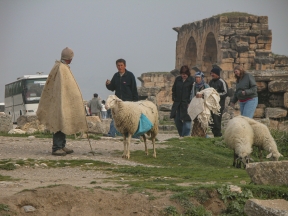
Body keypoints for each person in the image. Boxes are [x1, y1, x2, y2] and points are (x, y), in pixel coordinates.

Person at [37, 47, 88, 156]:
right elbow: (62, 88)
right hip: (59, 103)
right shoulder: (61, 68)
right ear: (69, 58)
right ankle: (56, 148)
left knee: (63, 123)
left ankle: (62, 145)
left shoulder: (61, 67)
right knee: (58, 124)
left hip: (61, 102)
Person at [105, 58, 138, 137]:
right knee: (115, 118)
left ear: (125, 66)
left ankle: (135, 135)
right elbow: (112, 88)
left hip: (128, 101)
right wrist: (108, 84)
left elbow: (134, 89)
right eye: (118, 65)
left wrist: (136, 101)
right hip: (118, 102)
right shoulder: (116, 76)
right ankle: (111, 133)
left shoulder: (130, 75)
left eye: (121, 65)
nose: (120, 67)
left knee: (131, 119)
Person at [170, 65, 194, 137]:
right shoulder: (178, 79)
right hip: (178, 103)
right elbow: (174, 89)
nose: (184, 75)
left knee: (187, 121)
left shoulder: (192, 80)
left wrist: (190, 102)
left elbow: (193, 92)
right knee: (177, 120)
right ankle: (182, 135)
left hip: (187, 104)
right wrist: (174, 97)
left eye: (185, 73)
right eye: (182, 73)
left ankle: (185, 136)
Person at [208, 67, 228, 137]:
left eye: (213, 73)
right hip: (211, 105)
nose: (212, 74)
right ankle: (215, 134)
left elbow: (225, 92)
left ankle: (218, 135)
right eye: (211, 73)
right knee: (210, 121)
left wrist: (216, 95)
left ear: (217, 74)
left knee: (217, 121)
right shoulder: (210, 82)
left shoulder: (222, 82)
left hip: (219, 105)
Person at [190, 71, 210, 137]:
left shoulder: (206, 86)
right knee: (196, 122)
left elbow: (209, 96)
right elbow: (192, 95)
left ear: (201, 78)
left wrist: (202, 96)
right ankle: (195, 135)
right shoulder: (194, 86)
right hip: (196, 106)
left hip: (203, 107)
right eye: (196, 77)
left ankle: (203, 136)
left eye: (198, 77)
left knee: (202, 122)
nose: (197, 79)